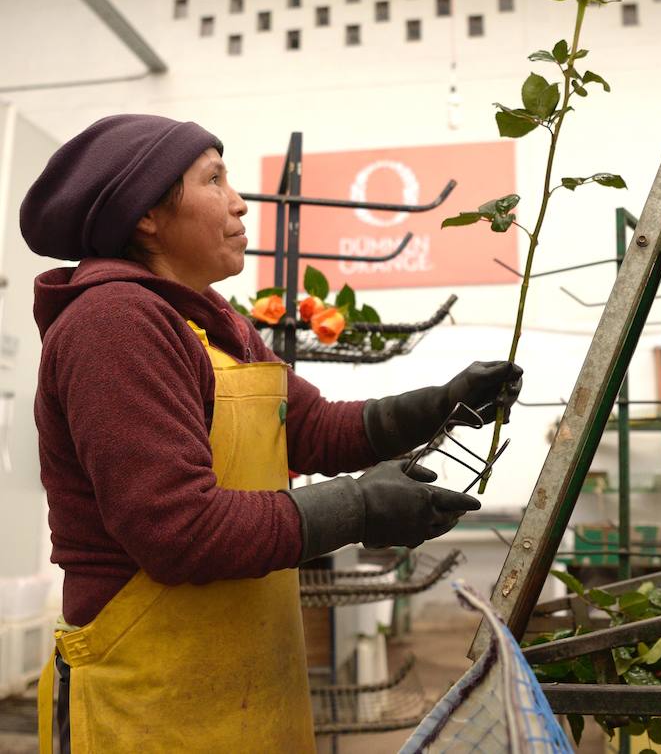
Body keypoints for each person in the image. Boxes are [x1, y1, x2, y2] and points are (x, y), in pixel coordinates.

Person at [20, 114, 522, 754]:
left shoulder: (212, 320)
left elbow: (307, 427)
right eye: (214, 179)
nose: (238, 202)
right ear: (147, 214)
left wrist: (439, 405)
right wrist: (360, 506)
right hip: (152, 700)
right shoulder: (114, 323)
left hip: (240, 685)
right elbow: (176, 529)